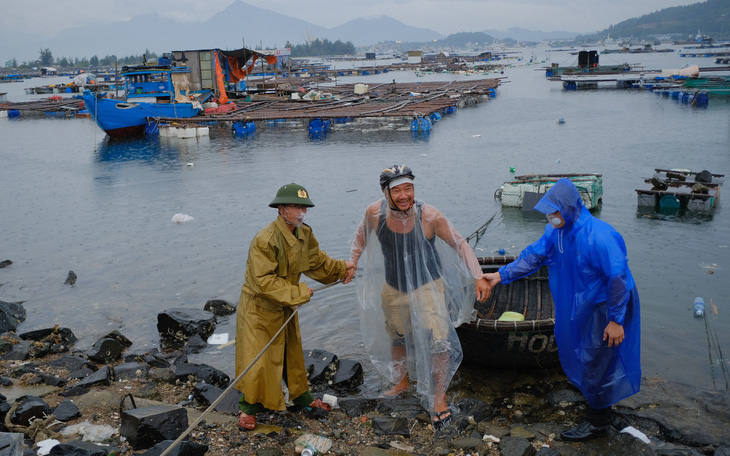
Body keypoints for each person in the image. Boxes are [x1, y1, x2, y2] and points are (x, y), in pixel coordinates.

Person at [482, 178, 641, 441]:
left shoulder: (600, 235)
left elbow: (618, 278)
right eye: (549, 211)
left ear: (569, 208)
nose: (550, 216)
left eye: (554, 211)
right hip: (582, 305)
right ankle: (596, 397)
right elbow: (534, 257)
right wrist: (500, 275)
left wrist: (616, 320)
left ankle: (598, 421)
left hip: (607, 306)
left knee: (599, 357)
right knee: (584, 351)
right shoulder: (556, 233)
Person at [350, 165, 491, 429]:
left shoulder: (429, 216)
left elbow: (460, 243)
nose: (404, 195)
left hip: (428, 285)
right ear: (386, 192)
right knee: (397, 335)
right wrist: (352, 262)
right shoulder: (374, 213)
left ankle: (439, 398)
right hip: (394, 286)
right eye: (397, 190)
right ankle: (401, 383)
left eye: (408, 188)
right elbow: (361, 237)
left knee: (439, 341)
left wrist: (479, 275)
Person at [234, 183, 356, 430]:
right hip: (259, 308)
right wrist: (298, 291)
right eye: (295, 206)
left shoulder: (305, 234)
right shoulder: (265, 239)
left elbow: (316, 262)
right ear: (281, 208)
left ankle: (302, 399)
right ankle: (247, 409)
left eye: (304, 207)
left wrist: (342, 268)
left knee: (292, 354)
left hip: (286, 305)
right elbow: (264, 281)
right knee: (258, 359)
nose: (301, 212)